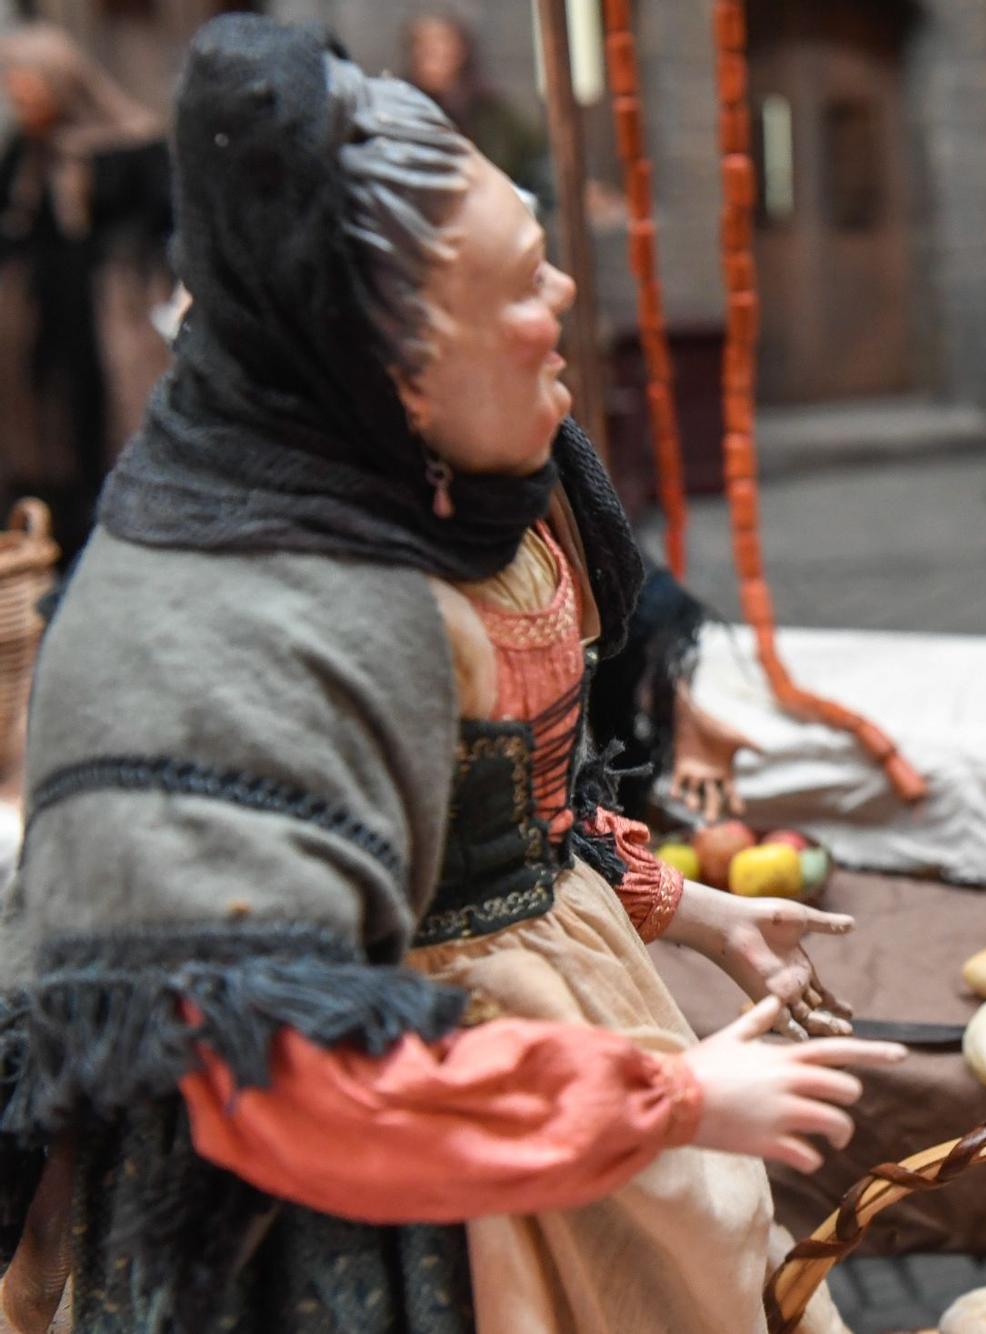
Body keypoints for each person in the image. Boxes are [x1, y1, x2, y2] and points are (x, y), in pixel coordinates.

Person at [0, 17, 898, 1332]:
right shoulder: (234, 621)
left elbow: (508, 835)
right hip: (385, 1146)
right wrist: (672, 1103)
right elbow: (282, 1073)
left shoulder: (495, 503)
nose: (565, 310)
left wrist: (696, 910)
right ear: (392, 370)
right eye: (520, 292)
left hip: (559, 1042)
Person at [0, 24, 171, 561]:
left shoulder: (130, 144)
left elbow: (164, 225)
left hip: (115, 318)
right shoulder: (25, 153)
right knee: (55, 431)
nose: (14, 92)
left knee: (113, 424)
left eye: (22, 79)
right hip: (48, 315)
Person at [405, 8, 550, 205]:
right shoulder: (402, 113)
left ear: (461, 50)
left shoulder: (491, 112)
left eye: (443, 44)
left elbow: (534, 162)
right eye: (426, 47)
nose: (436, 55)